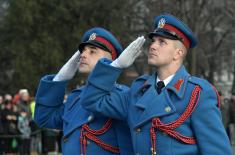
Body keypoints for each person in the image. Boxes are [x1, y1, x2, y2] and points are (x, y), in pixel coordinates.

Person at [80, 14, 233, 154]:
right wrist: (115, 66)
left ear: (178, 53)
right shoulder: (137, 90)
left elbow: (217, 151)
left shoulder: (197, 93)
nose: (152, 46)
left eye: (162, 42)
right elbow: (92, 100)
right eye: (153, 41)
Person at [34, 27, 134, 155]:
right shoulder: (75, 98)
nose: (83, 55)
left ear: (111, 61)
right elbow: (44, 118)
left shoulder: (122, 95)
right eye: (83, 51)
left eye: (92, 51)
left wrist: (111, 70)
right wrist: (59, 79)